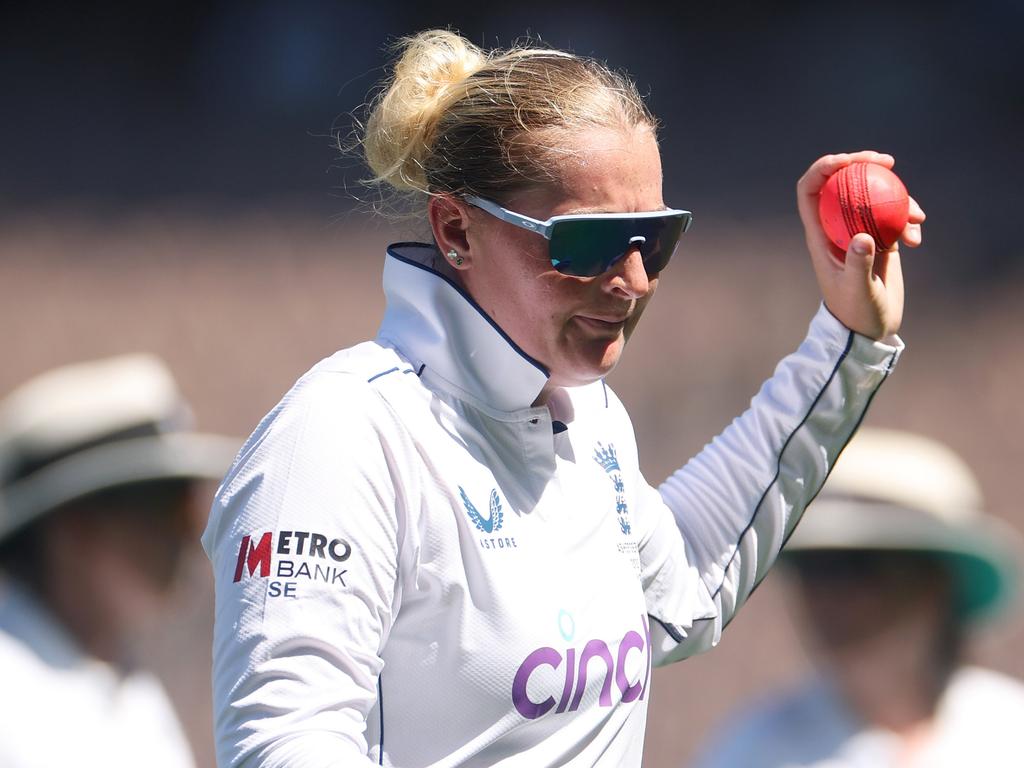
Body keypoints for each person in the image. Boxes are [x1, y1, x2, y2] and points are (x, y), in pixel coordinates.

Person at [202, 29, 925, 768]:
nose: (635, 280)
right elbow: (282, 748)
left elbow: (683, 593)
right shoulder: (339, 433)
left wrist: (848, 342)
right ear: (455, 228)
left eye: (655, 238)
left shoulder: (589, 416)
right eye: (588, 243)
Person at [690, 428, 1024, 768]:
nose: (829, 594)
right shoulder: (754, 751)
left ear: (934, 582)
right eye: (813, 568)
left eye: (858, 566)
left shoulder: (1008, 733)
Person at [0, 354, 239, 768]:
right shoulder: (14, 692)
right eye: (162, 510)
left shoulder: (128, 689)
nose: (188, 534)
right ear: (78, 529)